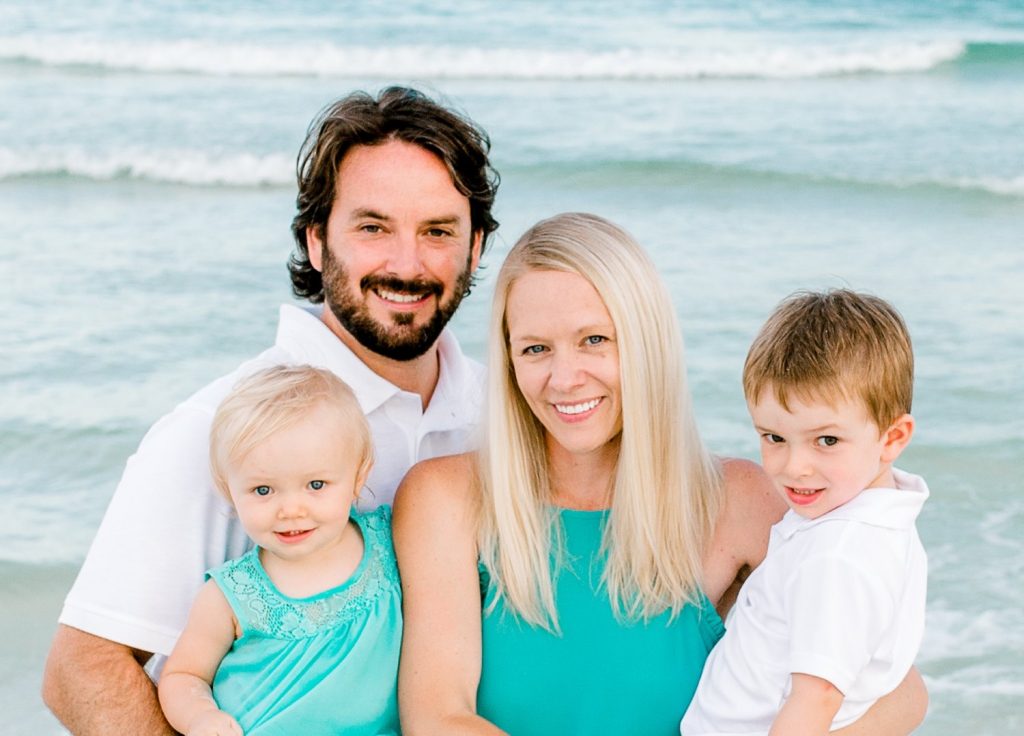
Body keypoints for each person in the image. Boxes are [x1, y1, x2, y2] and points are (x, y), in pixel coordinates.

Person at [43, 85, 499, 735]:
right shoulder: (215, 427)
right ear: (316, 242)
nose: (407, 263)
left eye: (438, 231)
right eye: (372, 227)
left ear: (476, 247)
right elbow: (82, 668)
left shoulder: (504, 419)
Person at [393, 213, 927, 735]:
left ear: (646, 342)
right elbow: (438, 716)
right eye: (535, 349)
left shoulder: (743, 500)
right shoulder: (445, 498)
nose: (564, 377)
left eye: (595, 340)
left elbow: (899, 692)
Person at [680, 289, 928, 735]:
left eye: (826, 441)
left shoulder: (838, 555)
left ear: (892, 438)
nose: (794, 467)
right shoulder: (880, 521)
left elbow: (817, 700)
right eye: (774, 437)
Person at [158, 365, 400, 735]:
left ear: (359, 476)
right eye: (263, 491)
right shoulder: (230, 594)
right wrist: (201, 717)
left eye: (315, 484)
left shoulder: (390, 544)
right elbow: (184, 674)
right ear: (229, 490)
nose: (290, 510)